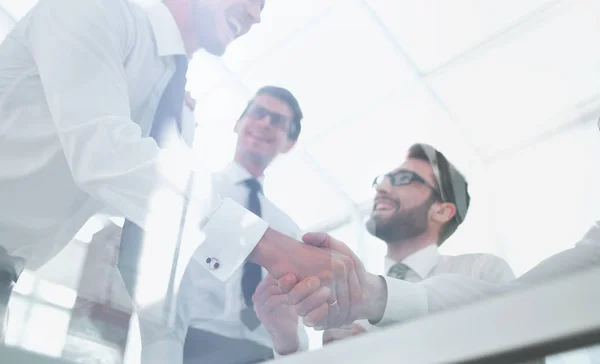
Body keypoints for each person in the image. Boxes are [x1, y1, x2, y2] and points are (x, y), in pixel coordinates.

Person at [0, 0, 359, 340]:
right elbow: (105, 158)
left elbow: (120, 203)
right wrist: (270, 246)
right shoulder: (93, 11)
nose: (256, 15)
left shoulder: (174, 104)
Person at [140, 86, 310, 363]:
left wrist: (290, 345)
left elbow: (294, 317)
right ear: (238, 123)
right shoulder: (191, 188)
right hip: (193, 341)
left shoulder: (288, 229)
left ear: (289, 142)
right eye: (259, 113)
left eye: (278, 121)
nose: (265, 123)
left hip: (265, 351)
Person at [320, 143, 515, 345]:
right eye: (383, 180)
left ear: (441, 211)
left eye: (404, 179)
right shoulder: (350, 308)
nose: (381, 188)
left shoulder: (482, 272)